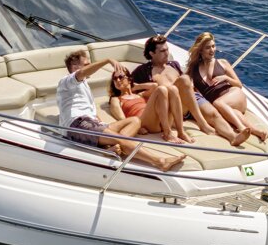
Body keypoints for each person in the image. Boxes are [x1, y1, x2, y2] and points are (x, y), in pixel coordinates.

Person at [57, 50, 185, 172]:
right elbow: (81, 74)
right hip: (77, 125)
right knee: (119, 139)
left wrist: (102, 125)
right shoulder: (67, 81)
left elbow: (92, 113)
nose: (90, 66)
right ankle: (160, 161)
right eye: (86, 64)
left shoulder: (83, 85)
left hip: (91, 124)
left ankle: (112, 148)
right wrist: (107, 60)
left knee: (135, 121)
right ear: (75, 67)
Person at [131, 34, 250, 147]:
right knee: (184, 79)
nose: (166, 53)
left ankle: (233, 137)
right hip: (170, 107)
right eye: (162, 51)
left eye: (167, 49)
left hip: (191, 100)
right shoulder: (143, 71)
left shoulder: (174, 65)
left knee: (214, 114)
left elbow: (188, 86)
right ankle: (202, 124)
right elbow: (131, 93)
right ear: (152, 53)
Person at [187, 31, 268, 142]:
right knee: (231, 113)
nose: (212, 50)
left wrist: (225, 78)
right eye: (208, 48)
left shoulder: (222, 63)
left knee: (218, 103)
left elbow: (239, 85)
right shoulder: (193, 69)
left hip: (233, 94)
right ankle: (258, 132)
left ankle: (241, 128)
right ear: (200, 50)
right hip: (224, 105)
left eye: (213, 46)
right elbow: (190, 89)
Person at [108, 68, 189, 143]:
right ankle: (167, 133)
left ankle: (181, 132)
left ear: (129, 79)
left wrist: (135, 87)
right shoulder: (116, 99)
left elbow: (155, 86)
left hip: (161, 119)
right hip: (144, 122)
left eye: (120, 77)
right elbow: (122, 119)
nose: (117, 80)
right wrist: (137, 127)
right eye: (114, 79)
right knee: (161, 89)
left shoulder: (140, 95)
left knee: (173, 89)